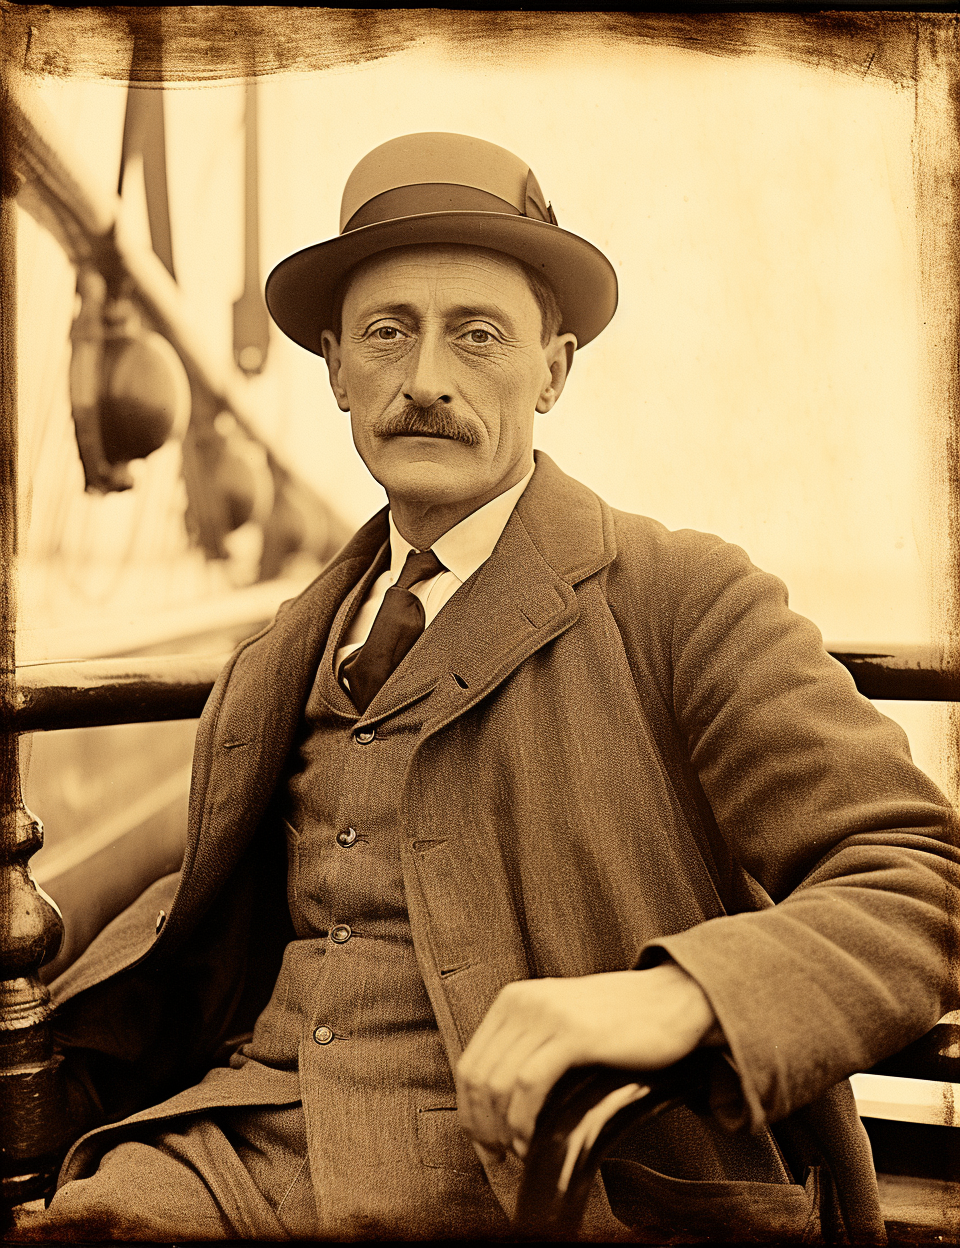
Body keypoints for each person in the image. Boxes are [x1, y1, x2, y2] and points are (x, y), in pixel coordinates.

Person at [22, 132, 960, 1243]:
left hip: (552, 1175)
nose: (426, 383)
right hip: (248, 1153)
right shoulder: (285, 648)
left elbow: (922, 877)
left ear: (552, 371)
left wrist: (675, 995)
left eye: (478, 336)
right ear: (333, 368)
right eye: (386, 335)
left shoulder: (681, 597)